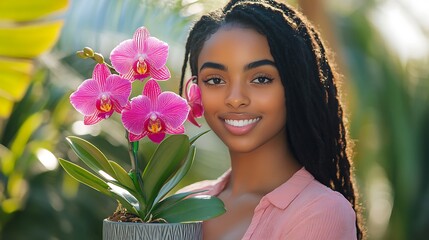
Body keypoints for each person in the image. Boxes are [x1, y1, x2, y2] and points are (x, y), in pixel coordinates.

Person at [178, 0, 363, 239]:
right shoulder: (182, 203)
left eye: (261, 79)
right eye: (215, 80)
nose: (235, 99)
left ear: (294, 85)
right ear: (195, 90)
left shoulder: (320, 211)